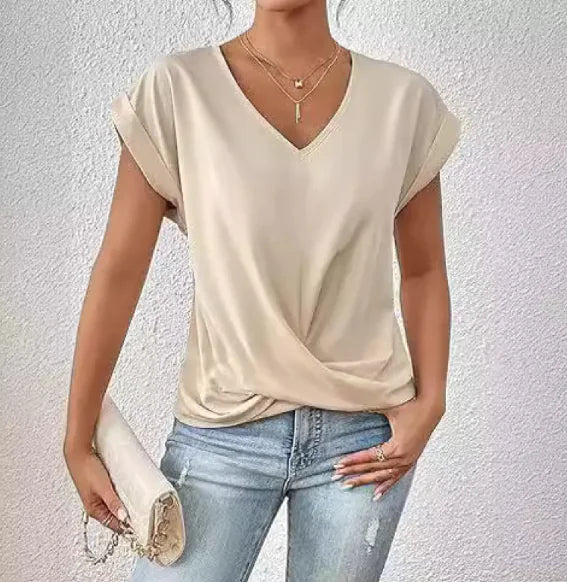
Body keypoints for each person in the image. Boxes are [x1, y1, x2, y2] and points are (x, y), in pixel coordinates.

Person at [63, 0, 461, 580]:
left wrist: (432, 402)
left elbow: (423, 270)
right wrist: (78, 440)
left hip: (363, 439)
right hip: (222, 431)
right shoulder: (177, 92)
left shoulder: (404, 102)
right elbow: (120, 269)